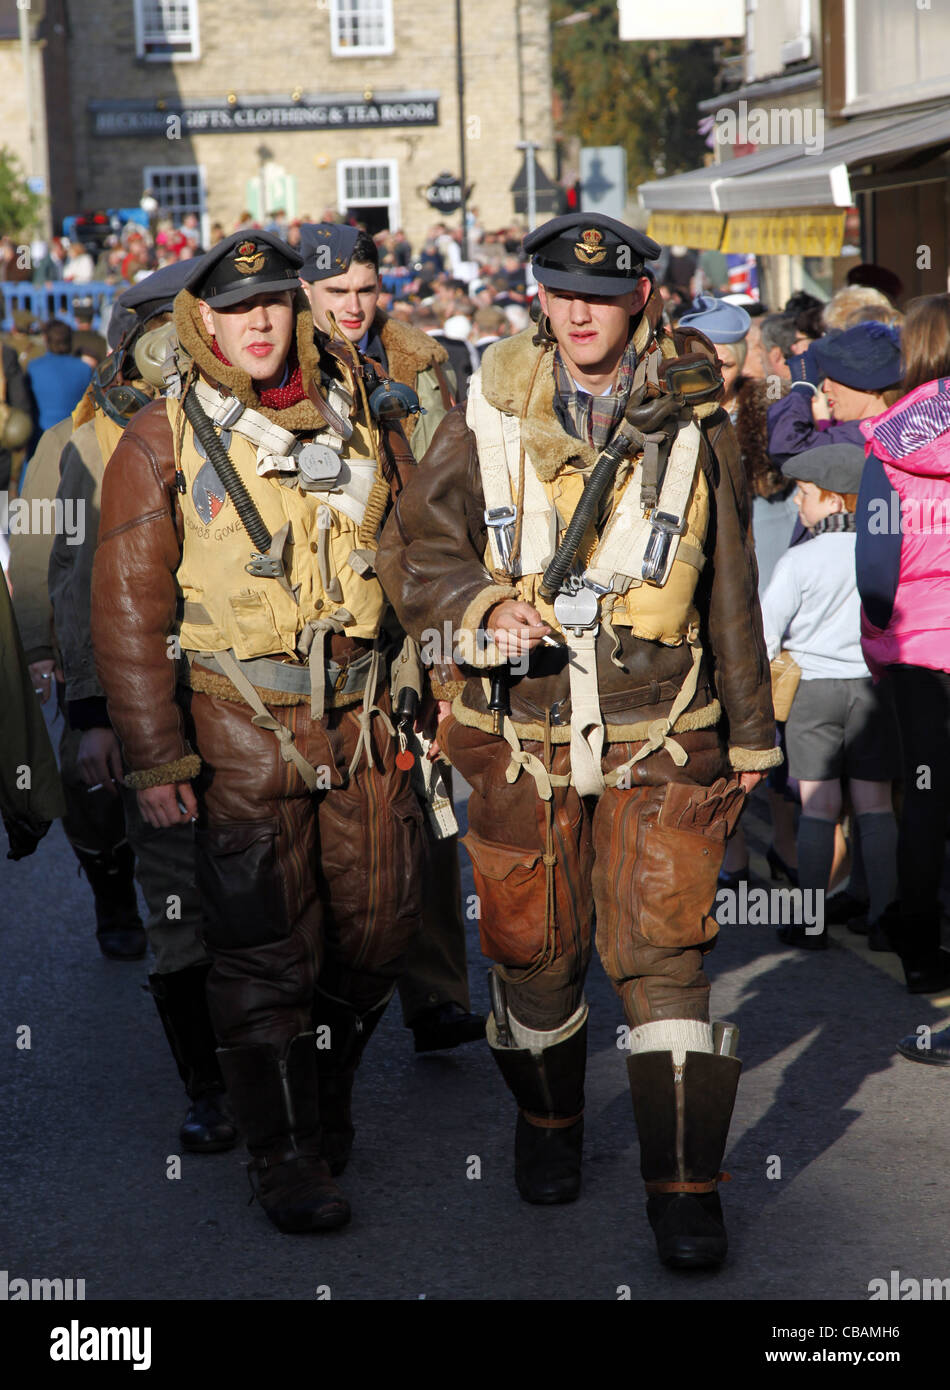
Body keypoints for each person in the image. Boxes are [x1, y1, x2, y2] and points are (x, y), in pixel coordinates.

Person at [376, 212, 780, 1270]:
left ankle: (686, 1194)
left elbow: (731, 581)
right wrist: (479, 606)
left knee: (664, 957)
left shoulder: (697, 409)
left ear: (639, 297)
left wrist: (751, 741)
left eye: (599, 296)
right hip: (520, 733)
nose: (579, 312)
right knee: (534, 951)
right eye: (561, 293)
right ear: (539, 298)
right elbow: (415, 550)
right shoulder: (484, 407)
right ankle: (548, 1122)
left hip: (665, 731)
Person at [91, 231, 424, 1234]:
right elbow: (127, 612)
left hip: (362, 715)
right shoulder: (160, 437)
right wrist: (155, 757)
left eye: (274, 303)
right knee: (263, 945)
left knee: (378, 928)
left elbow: (418, 549)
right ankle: (284, 1153)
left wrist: (441, 685)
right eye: (237, 310)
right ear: (203, 320)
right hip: (239, 720)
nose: (259, 324)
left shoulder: (359, 408)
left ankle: (322, 1096)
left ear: (297, 307)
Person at [42, 262, 238, 1152]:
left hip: (255, 709)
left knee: (275, 900)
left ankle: (283, 1085)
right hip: (151, 706)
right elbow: (76, 581)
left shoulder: (260, 420)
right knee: (178, 907)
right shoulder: (91, 443)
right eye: (164, 331)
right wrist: (91, 713)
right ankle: (210, 1090)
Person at [297, 222, 484, 1054]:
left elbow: (461, 486)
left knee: (428, 802)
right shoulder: (285, 369)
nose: (354, 306)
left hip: (420, 603)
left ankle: (436, 992)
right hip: (332, 615)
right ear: (306, 292)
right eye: (336, 292)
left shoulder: (423, 363)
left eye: (366, 290)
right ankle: (321, 1000)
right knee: (333, 822)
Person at [760, 444, 900, 951]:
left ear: (836, 501)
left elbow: (765, 633)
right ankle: (885, 921)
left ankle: (811, 921)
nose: (798, 502)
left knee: (818, 807)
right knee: (875, 805)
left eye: (806, 493)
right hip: (873, 689)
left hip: (811, 693)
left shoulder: (799, 559)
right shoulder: (884, 554)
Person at [856, 293, 950, 1004]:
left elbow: (875, 565)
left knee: (924, 795)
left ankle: (918, 944)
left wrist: (877, 637)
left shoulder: (890, 439)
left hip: (918, 647)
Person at [26, 321, 92, 444]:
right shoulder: (85, 368)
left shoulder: (33, 367)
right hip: (74, 438)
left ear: (46, 340)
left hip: (41, 438)